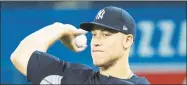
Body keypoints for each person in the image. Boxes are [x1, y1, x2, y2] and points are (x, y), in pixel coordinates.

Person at [10, 6, 150, 84]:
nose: (96, 41)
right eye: (94, 35)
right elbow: (20, 55)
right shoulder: (76, 78)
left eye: (106, 35)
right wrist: (60, 28)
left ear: (127, 41)